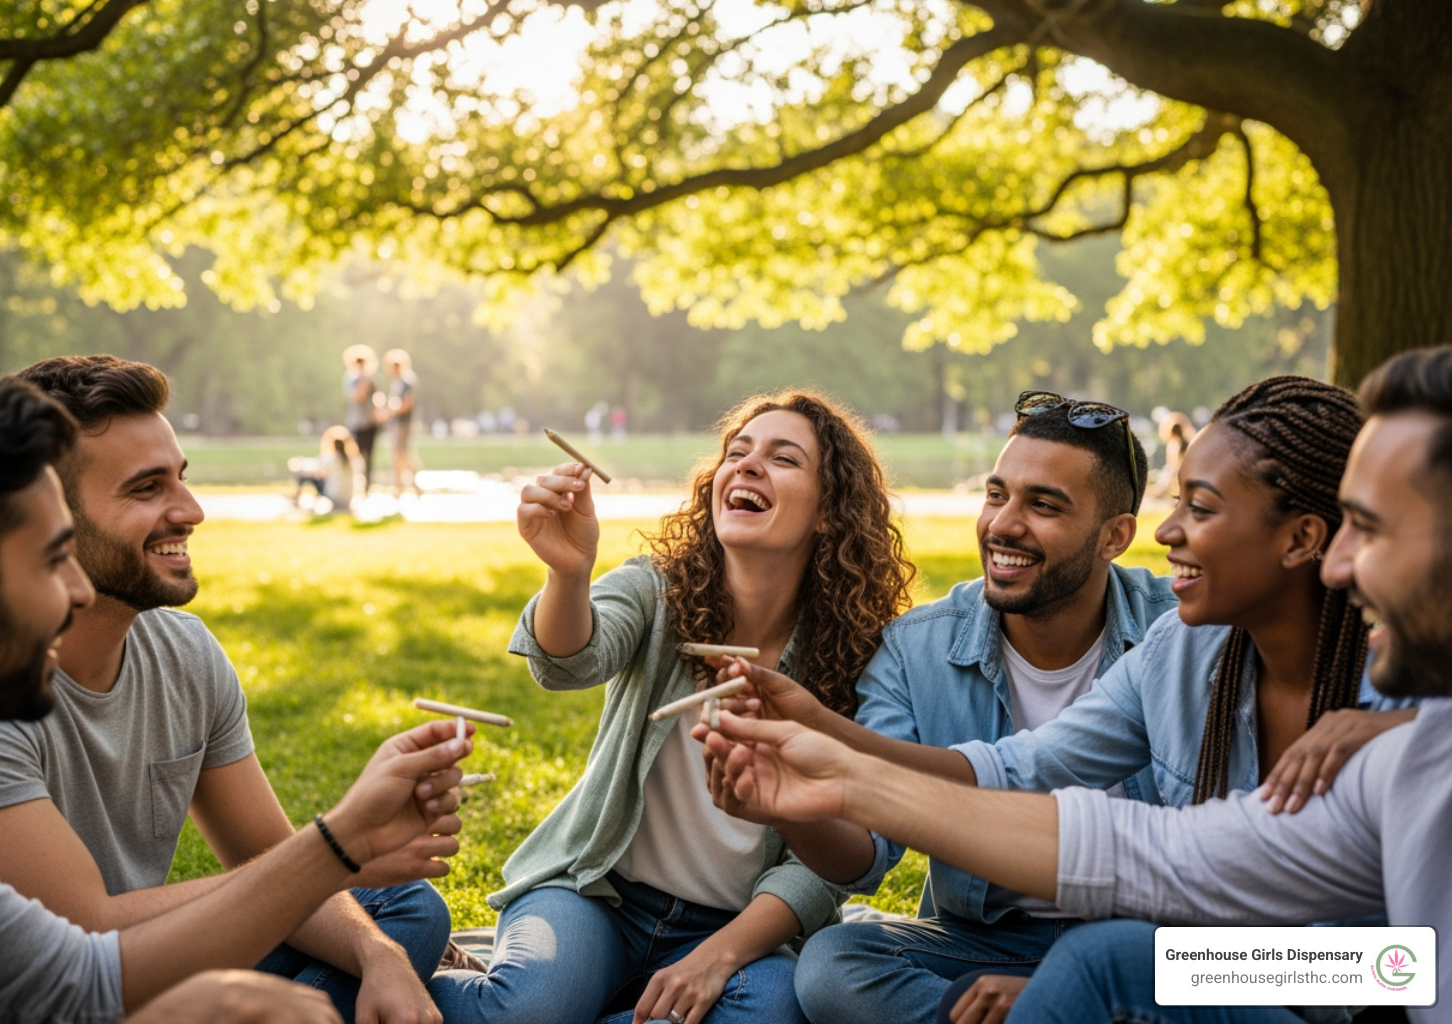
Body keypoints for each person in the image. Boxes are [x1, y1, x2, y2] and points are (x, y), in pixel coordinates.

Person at [701, 345, 1452, 1024]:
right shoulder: (1185, 651)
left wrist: (1129, 981)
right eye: (997, 494)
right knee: (853, 963)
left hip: (1295, 996)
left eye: (1203, 508)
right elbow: (1034, 781)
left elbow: (1381, 971)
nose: (1170, 533)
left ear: (1300, 539)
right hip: (1159, 969)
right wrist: (836, 762)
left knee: (1111, 960)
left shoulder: (1404, 715)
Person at [0, 375, 472, 1023]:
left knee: (404, 912)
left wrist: (343, 847)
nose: (74, 592)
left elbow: (75, 977)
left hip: (123, 964)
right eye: (51, 558)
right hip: (115, 962)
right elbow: (87, 940)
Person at [428, 391, 916, 1024]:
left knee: (770, 1015)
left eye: (783, 458)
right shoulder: (657, 588)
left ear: (829, 510)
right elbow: (567, 661)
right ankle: (383, 974)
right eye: (737, 453)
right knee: (527, 1009)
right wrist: (569, 575)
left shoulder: (863, 660)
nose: (746, 465)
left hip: (739, 928)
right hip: (597, 896)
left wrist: (717, 956)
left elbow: (838, 866)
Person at [733, 394, 1177, 1023]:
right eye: (996, 495)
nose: (1003, 525)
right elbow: (865, 855)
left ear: (1115, 536)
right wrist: (791, 804)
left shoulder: (1179, 639)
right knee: (835, 962)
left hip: (1145, 944)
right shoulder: (918, 649)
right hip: (987, 942)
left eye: (1043, 504)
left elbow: (1324, 962)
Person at [383, 350, 421, 499]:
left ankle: (409, 486)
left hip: (404, 424)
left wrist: (390, 411)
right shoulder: (397, 382)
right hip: (398, 424)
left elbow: (407, 403)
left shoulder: (407, 380)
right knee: (400, 455)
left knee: (403, 455)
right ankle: (402, 486)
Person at [343, 345, 381, 495]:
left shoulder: (372, 378)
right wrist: (364, 381)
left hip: (370, 423)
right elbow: (356, 398)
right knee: (355, 455)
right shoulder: (351, 378)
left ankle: (367, 487)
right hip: (356, 422)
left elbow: (377, 397)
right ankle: (353, 485)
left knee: (369, 456)